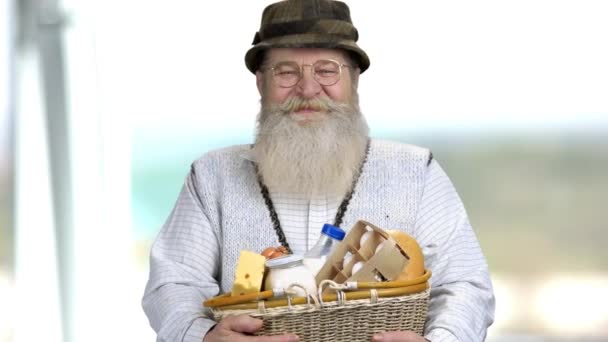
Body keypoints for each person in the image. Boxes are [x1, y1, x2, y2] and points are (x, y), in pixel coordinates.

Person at [142, 0, 495, 341]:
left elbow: (464, 285)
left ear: (354, 81)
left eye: (327, 70)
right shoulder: (211, 176)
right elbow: (173, 284)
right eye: (286, 72)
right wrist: (203, 337)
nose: (308, 89)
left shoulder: (418, 171)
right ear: (260, 83)